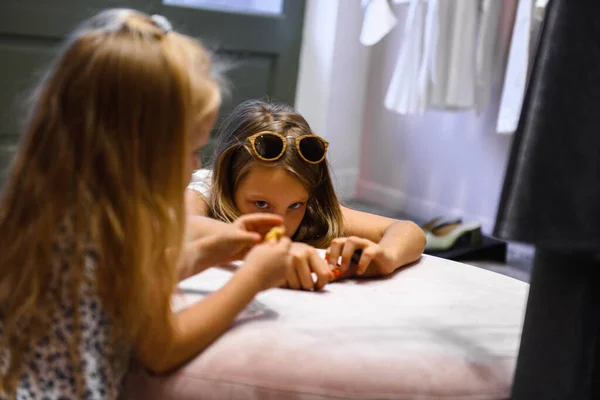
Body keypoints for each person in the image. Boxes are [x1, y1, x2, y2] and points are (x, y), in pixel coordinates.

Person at [0, 9, 293, 399]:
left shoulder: (60, 207)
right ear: (135, 150)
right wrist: (252, 278)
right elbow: (162, 348)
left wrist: (215, 249)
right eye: (190, 150)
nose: (195, 165)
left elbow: (122, 289)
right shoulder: (121, 224)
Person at [186, 99, 426, 291]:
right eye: (261, 203)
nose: (280, 223)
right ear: (226, 183)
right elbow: (185, 227)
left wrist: (387, 256)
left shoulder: (312, 210)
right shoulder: (205, 191)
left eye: (295, 206)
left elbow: (408, 230)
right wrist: (263, 247)